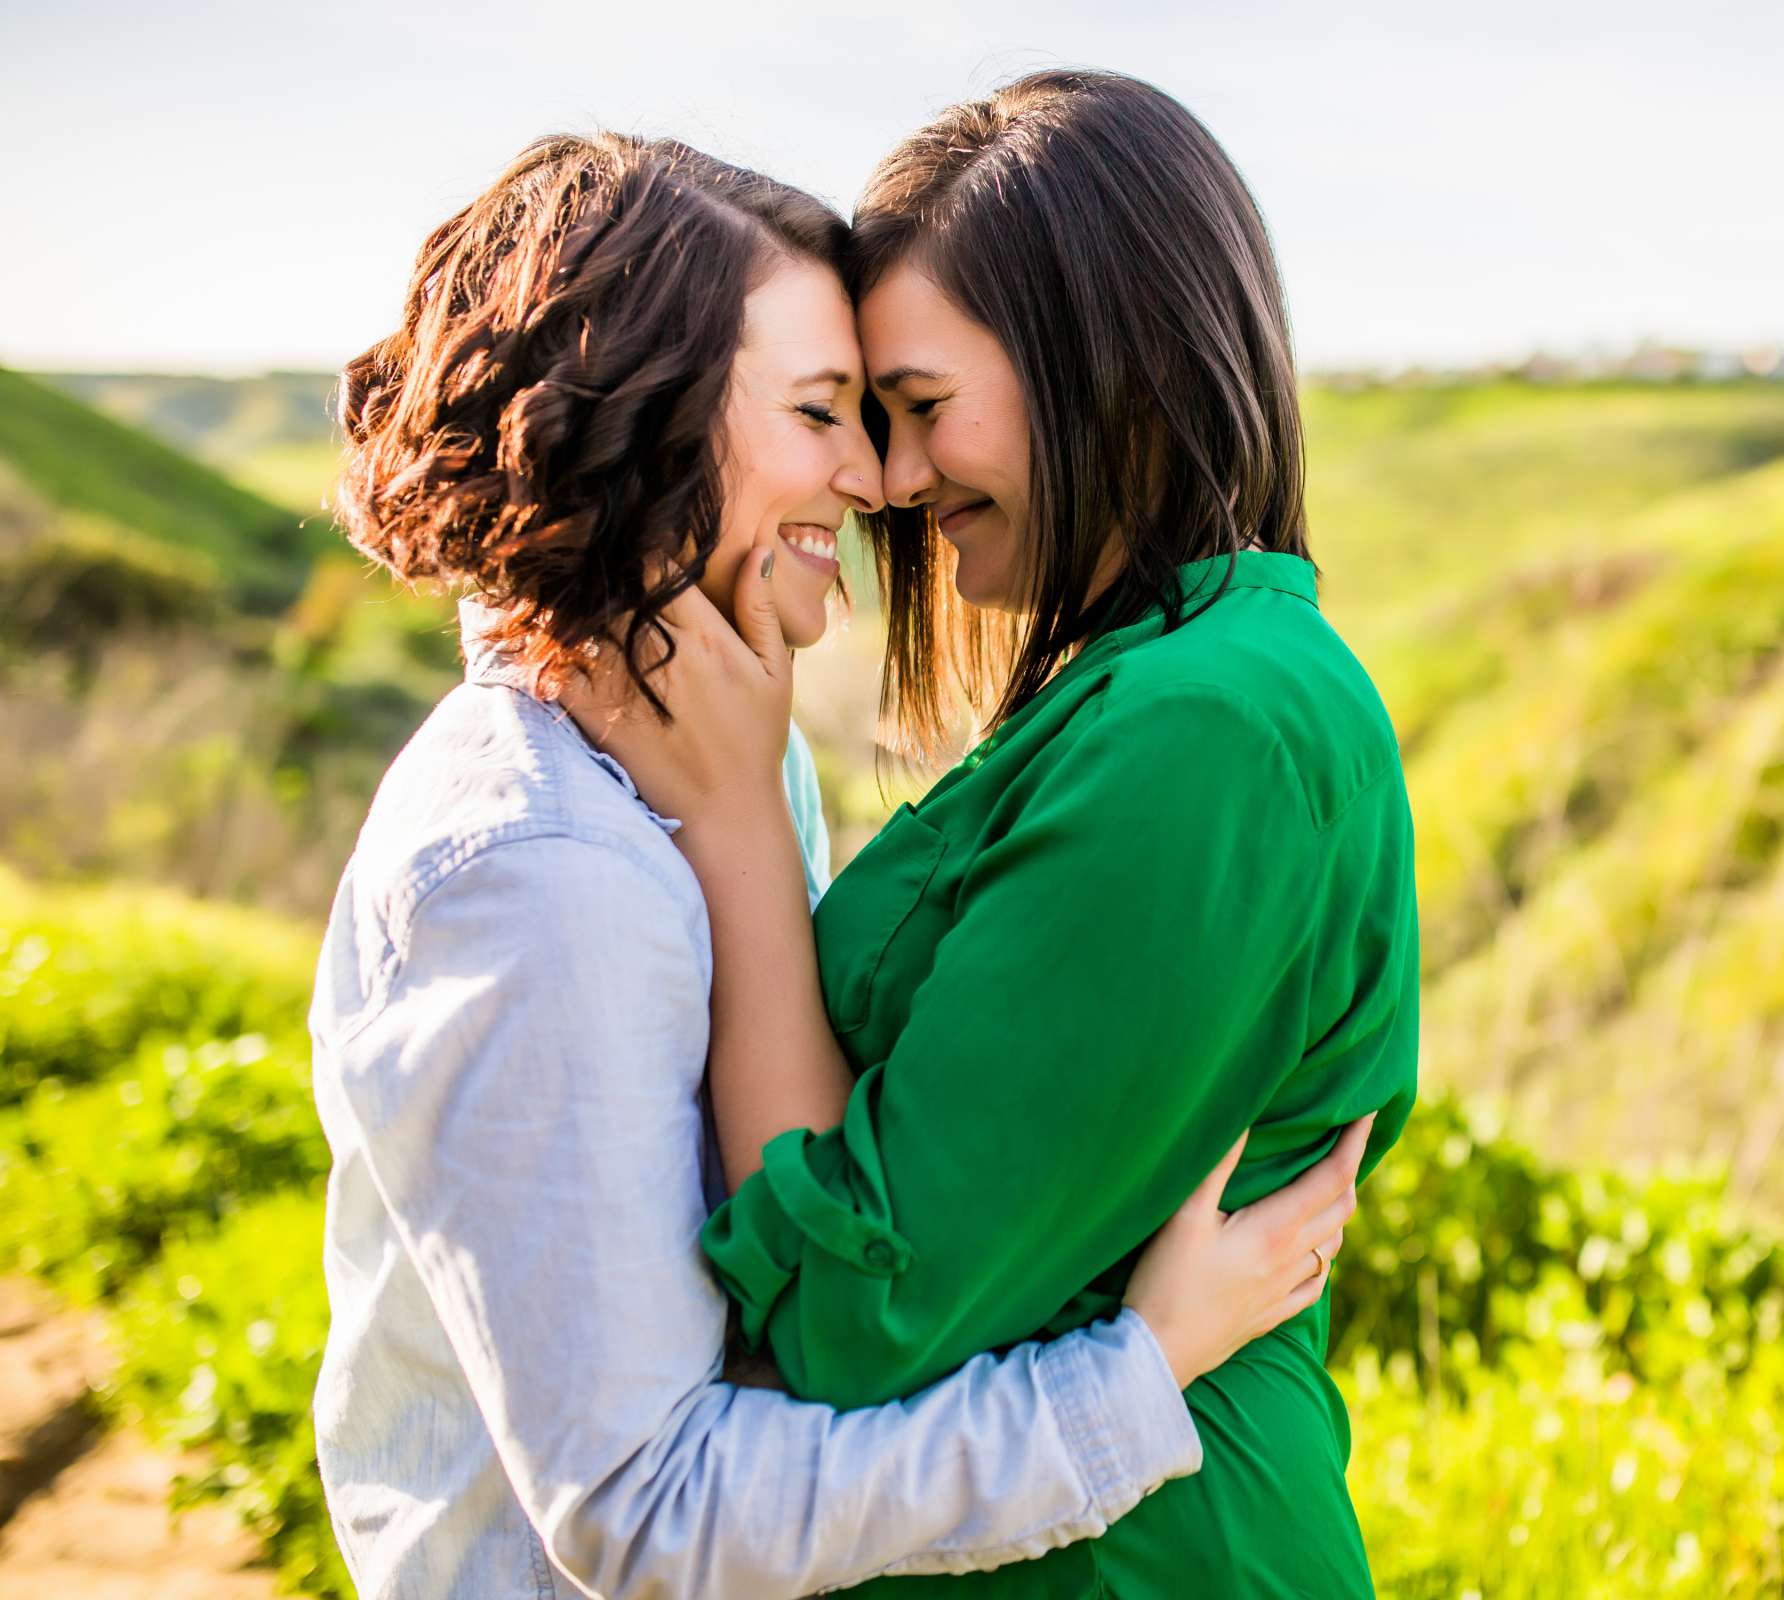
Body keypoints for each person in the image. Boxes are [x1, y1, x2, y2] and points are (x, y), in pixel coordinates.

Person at [312, 130, 1362, 1600]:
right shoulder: (537, 865)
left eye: (889, 409)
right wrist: (1143, 1372)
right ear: (655, 416)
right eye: (829, 411)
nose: (873, 478)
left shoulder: (733, 764)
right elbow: (650, 1504)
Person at [576, 71, 1420, 1598]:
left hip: (1141, 1558)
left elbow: (855, 1317)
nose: (892, 483)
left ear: (1106, 360)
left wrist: (739, 826)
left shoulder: (1202, 731)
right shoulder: (1160, 686)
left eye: (917, 410)